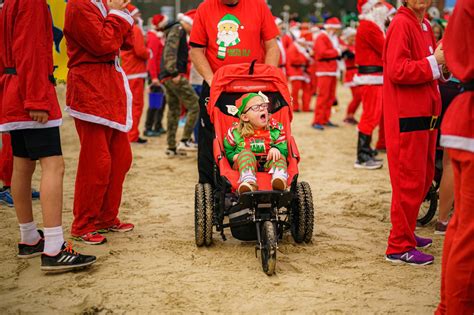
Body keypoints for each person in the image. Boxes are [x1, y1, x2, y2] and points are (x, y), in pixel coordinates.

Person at [0, 0, 96, 271]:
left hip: (11, 88)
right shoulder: (31, 3)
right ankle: (54, 247)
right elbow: (30, 50)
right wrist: (37, 100)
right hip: (29, 92)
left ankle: (29, 237)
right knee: (54, 165)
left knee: (22, 163)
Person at [64, 0, 135, 245]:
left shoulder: (103, 4)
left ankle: (106, 217)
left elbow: (127, 43)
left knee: (121, 157)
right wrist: (116, 14)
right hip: (89, 85)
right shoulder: (78, 5)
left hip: (110, 86)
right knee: (97, 161)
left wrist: (120, 12)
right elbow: (103, 43)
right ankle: (83, 223)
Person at [383, 0, 448, 266]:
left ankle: (406, 232)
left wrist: (443, 65)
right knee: (408, 181)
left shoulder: (423, 25)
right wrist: (436, 62)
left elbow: (432, 67)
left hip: (425, 114)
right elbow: (398, 70)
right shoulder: (401, 24)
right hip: (407, 115)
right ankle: (399, 245)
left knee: (423, 177)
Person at [189, 0, 280, 186]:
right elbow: (197, 50)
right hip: (217, 83)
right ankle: (210, 188)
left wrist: (267, 77)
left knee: (259, 132)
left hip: (254, 84)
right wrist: (211, 79)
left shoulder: (258, 5)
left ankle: (261, 181)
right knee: (210, 138)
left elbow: (272, 45)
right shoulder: (206, 8)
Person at [436, 0, 474, 312]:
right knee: (468, 230)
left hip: (463, 113)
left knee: (462, 225)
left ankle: (450, 306)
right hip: (468, 118)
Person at [224, 93, 288, 194]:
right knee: (246, 154)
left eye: (264, 105)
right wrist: (234, 156)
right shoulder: (235, 133)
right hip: (243, 165)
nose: (262, 109)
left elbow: (284, 147)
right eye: (256, 107)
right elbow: (227, 150)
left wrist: (276, 148)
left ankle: (279, 180)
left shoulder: (275, 129)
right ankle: (249, 182)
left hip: (268, 163)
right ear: (245, 117)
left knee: (279, 156)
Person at [352, 0, 388, 169]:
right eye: (380, 4)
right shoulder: (369, 26)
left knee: (372, 114)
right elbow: (385, 48)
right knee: (370, 115)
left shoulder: (370, 25)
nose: (384, 8)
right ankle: (362, 155)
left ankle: (366, 150)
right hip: (371, 77)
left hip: (374, 76)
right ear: (372, 8)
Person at [160, 10, 199, 157]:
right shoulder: (179, 29)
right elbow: (170, 51)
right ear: (188, 23)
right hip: (173, 75)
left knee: (174, 110)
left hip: (166, 76)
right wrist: (174, 72)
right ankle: (185, 140)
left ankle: (171, 147)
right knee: (195, 105)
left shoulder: (175, 29)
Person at [121, 4, 150, 144]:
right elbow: (140, 51)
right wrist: (148, 53)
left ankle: (130, 134)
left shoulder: (124, 27)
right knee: (136, 105)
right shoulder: (135, 29)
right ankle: (132, 135)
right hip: (136, 72)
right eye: (137, 14)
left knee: (128, 105)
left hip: (128, 71)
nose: (140, 17)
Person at [311, 17, 342, 130]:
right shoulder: (321, 37)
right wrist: (338, 51)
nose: (336, 31)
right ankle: (317, 120)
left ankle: (325, 118)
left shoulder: (331, 37)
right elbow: (322, 53)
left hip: (332, 70)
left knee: (330, 97)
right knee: (323, 96)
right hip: (324, 70)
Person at [144, 14, 168, 137]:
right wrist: (153, 77)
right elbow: (152, 59)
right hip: (155, 75)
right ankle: (148, 127)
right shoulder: (153, 38)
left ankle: (158, 125)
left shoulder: (159, 37)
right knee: (155, 102)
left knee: (162, 102)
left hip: (160, 74)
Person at [286, 31, 313, 112]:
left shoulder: (303, 48)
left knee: (307, 89)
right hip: (295, 71)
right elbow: (293, 60)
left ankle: (306, 107)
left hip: (303, 71)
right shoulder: (293, 47)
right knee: (295, 91)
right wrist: (306, 58)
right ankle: (295, 107)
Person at [340, 27, 361, 125]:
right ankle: (348, 115)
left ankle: (351, 115)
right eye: (352, 36)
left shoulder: (356, 46)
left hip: (358, 73)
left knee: (358, 97)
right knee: (357, 96)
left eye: (354, 36)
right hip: (351, 73)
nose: (354, 38)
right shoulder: (345, 48)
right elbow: (346, 56)